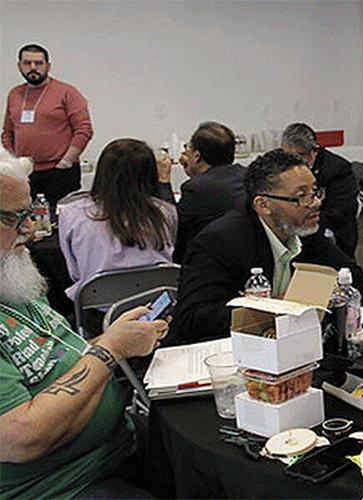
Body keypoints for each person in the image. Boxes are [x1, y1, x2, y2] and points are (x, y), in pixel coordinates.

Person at [1, 149, 168, 499]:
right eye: (15, 218)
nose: (31, 230)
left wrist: (111, 343)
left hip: (114, 447)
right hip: (63, 486)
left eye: (29, 213)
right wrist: (109, 348)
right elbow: (24, 438)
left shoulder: (14, 283)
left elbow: (64, 365)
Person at [168, 149, 363, 346]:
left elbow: (353, 276)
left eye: (314, 192)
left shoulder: (304, 229)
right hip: (229, 351)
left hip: (295, 346)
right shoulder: (219, 241)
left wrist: (315, 294)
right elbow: (193, 319)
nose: (315, 203)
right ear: (263, 205)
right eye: (300, 196)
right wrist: (275, 307)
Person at [58, 139, 177, 336]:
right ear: (149, 174)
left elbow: (75, 271)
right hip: (156, 312)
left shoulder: (72, 214)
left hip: (100, 320)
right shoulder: (166, 212)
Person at [2, 44, 93, 206]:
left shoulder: (67, 92)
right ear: (19, 66)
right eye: (27, 63)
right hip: (24, 173)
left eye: (38, 63)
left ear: (48, 66)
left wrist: (65, 162)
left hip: (59, 172)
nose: (33, 68)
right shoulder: (14, 94)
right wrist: (14, 163)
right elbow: (7, 132)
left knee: (58, 223)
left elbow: (84, 130)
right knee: (26, 221)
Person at [281, 123, 359, 258]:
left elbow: (340, 210)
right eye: (287, 155)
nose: (292, 161)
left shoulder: (337, 169)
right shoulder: (281, 166)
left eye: (299, 155)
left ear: (314, 151)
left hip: (330, 228)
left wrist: (301, 221)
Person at [171, 121, 245, 263]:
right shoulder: (246, 176)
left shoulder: (194, 188)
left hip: (204, 263)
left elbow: (173, 229)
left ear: (197, 156)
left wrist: (163, 182)